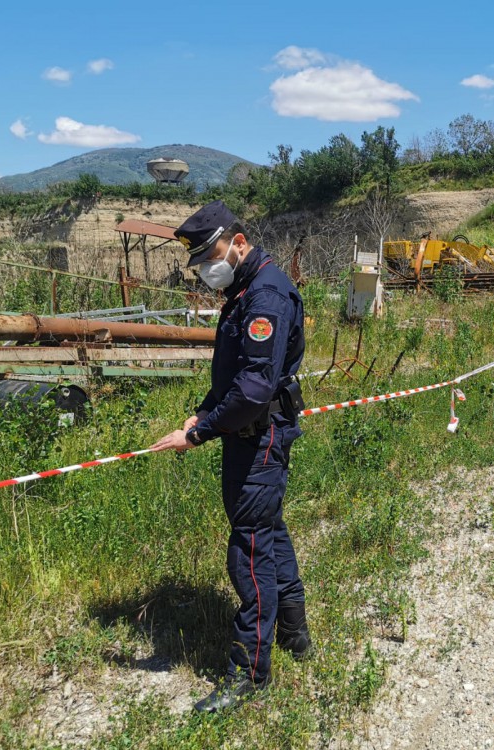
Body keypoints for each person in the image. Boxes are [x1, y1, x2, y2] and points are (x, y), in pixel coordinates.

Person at [150, 200, 311, 712]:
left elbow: (254, 389)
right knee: (268, 529)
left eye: (209, 256)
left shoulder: (265, 294)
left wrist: (198, 435)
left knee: (249, 550)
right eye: (198, 262)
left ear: (238, 242)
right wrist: (202, 415)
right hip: (248, 433)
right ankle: (294, 632)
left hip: (259, 437)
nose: (205, 270)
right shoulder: (245, 288)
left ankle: (248, 673)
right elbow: (233, 378)